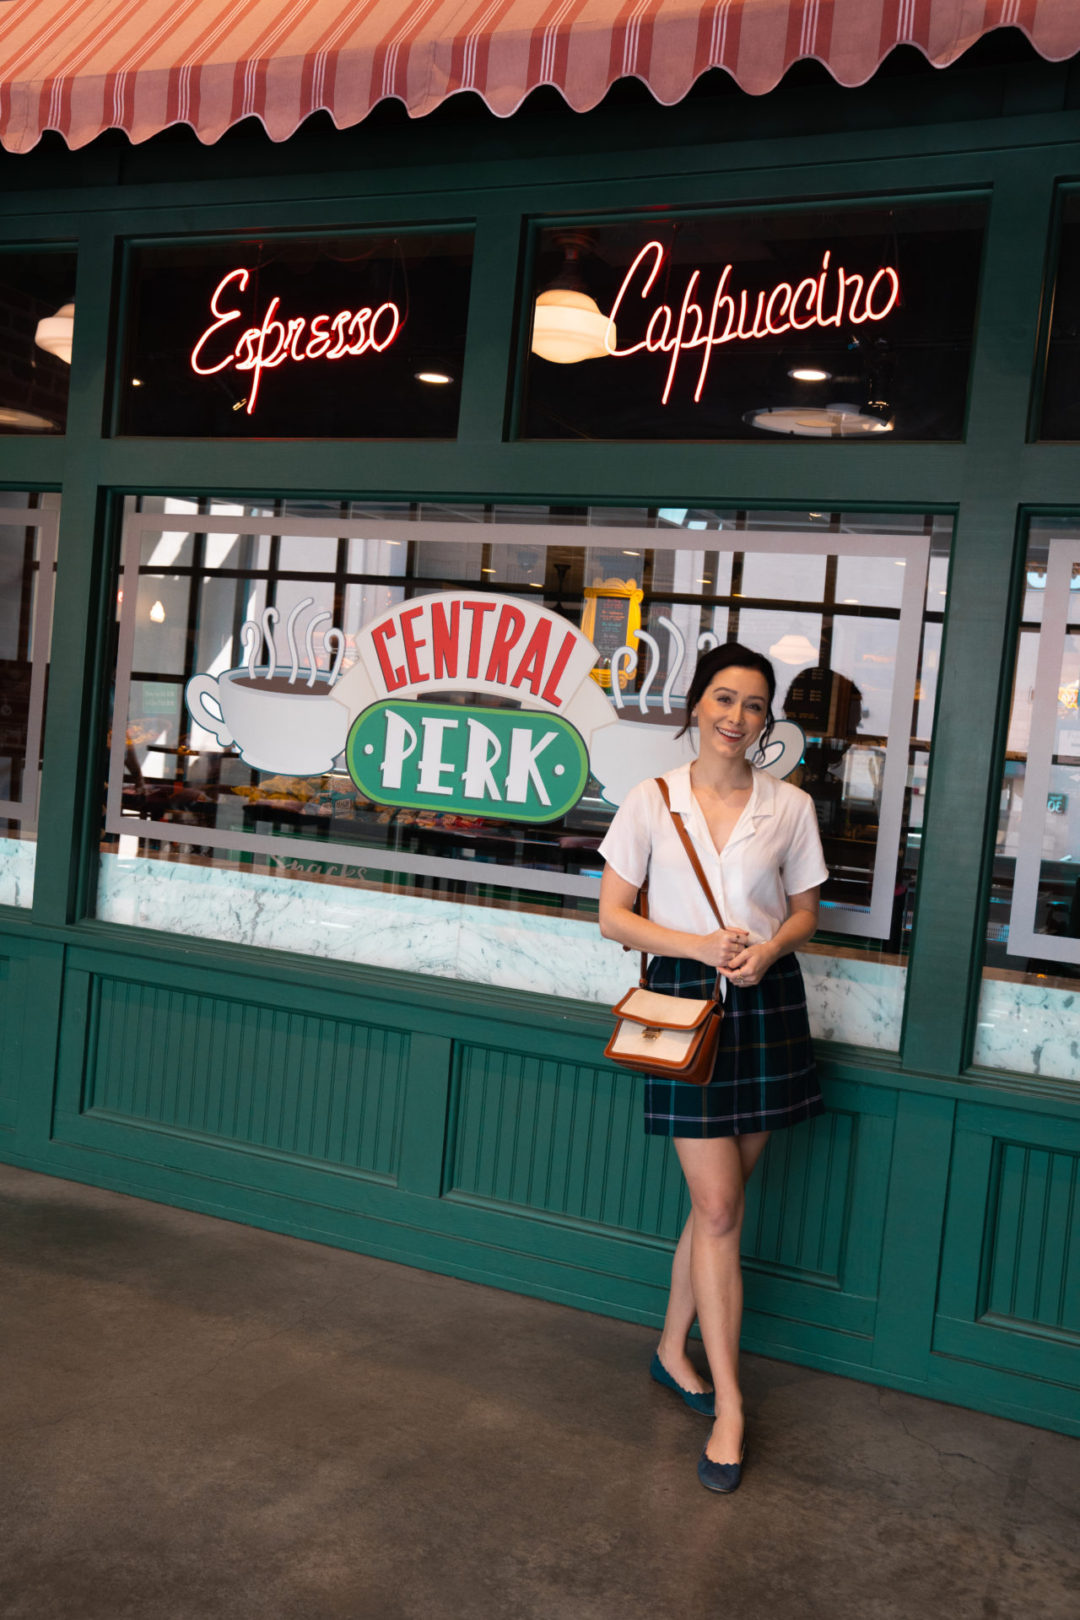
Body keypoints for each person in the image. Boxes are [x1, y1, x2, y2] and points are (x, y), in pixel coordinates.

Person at [597, 643, 828, 1494]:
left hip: (766, 1005)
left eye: (755, 705)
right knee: (721, 1207)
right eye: (724, 699)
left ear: (768, 721)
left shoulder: (790, 807)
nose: (737, 717)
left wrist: (767, 950)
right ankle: (730, 1406)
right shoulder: (651, 801)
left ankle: (669, 1347)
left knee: (715, 1210)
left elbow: (806, 912)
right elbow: (613, 918)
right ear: (695, 706)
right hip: (683, 1011)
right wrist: (696, 943)